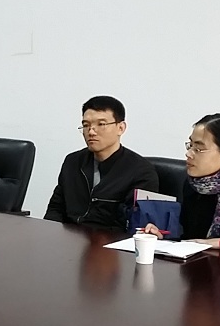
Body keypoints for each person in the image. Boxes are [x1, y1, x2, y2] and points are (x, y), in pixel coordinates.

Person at [144, 113, 220, 258]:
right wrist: (164, 236)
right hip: (200, 266)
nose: (189, 154)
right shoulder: (197, 184)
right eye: (190, 145)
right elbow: (193, 239)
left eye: (199, 149)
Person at [44, 96, 158, 230]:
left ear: (121, 128)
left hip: (111, 241)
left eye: (101, 124)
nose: (91, 131)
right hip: (69, 238)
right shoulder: (73, 161)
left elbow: (135, 225)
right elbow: (55, 209)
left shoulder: (141, 171)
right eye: (86, 125)